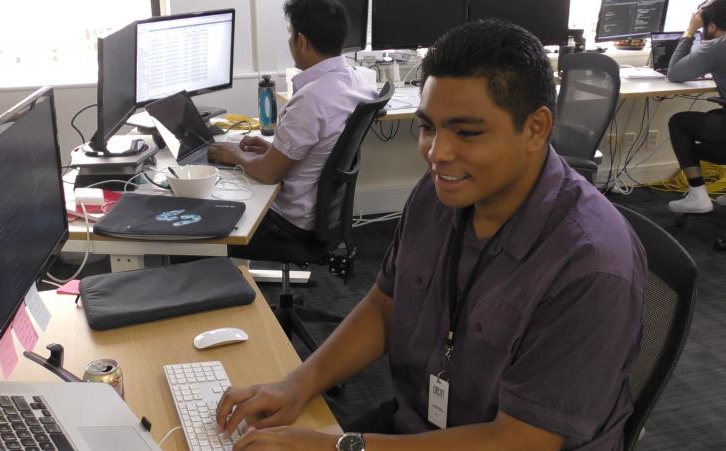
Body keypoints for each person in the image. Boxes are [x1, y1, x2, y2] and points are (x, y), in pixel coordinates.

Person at [215, 20, 647, 451]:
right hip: (420, 429)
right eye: (428, 127)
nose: (436, 154)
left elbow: (520, 440)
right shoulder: (439, 193)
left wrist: (335, 448)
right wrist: (297, 384)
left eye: (467, 132)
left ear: (535, 128)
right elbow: (386, 304)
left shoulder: (592, 265)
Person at [208, 0, 376, 249]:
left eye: (289, 33)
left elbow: (268, 173)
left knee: (203, 210)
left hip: (289, 224)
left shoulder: (311, 99)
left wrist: (232, 154)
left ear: (302, 42)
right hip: (319, 216)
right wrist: (271, 150)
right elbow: (321, 150)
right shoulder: (357, 82)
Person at [666, 0, 726, 213]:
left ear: (711, 27)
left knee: (679, 123)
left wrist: (690, 30)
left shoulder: (717, 45)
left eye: (703, 28)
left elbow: (674, 73)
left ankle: (698, 195)